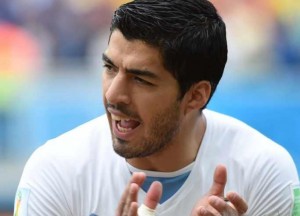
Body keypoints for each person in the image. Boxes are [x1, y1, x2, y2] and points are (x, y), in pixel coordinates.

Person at [14, 0, 299, 215]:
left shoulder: (266, 170)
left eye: (140, 79)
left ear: (196, 96)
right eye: (110, 68)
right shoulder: (54, 169)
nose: (113, 95)